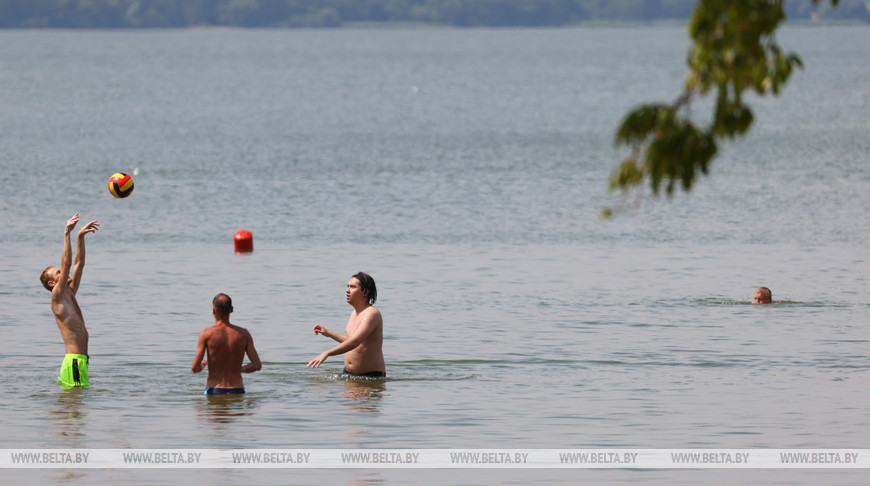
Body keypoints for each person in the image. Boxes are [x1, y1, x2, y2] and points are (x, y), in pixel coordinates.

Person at [40, 214, 100, 387]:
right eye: (58, 273)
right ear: (52, 283)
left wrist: (80, 237)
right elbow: (67, 263)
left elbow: (79, 263)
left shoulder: (70, 293)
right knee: (74, 411)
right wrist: (67, 233)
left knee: (74, 408)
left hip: (80, 361)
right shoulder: (57, 296)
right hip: (74, 361)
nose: (63, 272)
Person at [308, 272, 385, 378]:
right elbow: (350, 340)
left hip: (371, 377)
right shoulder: (354, 313)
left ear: (365, 292)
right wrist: (329, 333)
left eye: (353, 287)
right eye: (348, 286)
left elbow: (355, 342)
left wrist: (327, 353)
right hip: (348, 374)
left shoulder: (372, 313)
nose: (347, 290)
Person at [192, 293, 262, 395]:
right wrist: (238, 368)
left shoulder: (206, 334)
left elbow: (195, 368)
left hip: (214, 390)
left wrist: (202, 364)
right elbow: (257, 365)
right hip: (237, 390)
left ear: (214, 310)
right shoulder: (243, 334)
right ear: (232, 309)